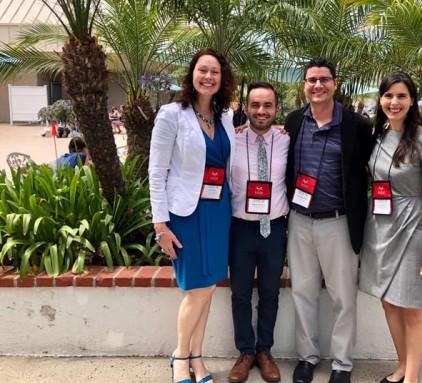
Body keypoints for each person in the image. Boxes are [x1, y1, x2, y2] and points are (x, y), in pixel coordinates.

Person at [148, 48, 236, 383]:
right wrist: (161, 225)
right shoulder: (171, 114)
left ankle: (197, 358)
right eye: (203, 70)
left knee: (209, 286)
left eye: (215, 71)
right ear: (192, 74)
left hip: (218, 211)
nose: (208, 77)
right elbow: (156, 173)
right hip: (185, 212)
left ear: (222, 78)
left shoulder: (224, 117)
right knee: (196, 288)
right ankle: (180, 356)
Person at [284, 58, 373, 383]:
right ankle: (307, 358)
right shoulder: (294, 122)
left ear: (336, 83)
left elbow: (375, 165)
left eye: (324, 79)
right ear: (304, 85)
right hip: (300, 220)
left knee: (342, 296)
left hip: (339, 222)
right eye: (311, 80)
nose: (317, 85)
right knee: (303, 291)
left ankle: (341, 364)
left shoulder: (356, 126)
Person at [359, 71, 422, 383]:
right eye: (388, 96)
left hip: (412, 227)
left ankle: (413, 378)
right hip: (379, 226)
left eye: (401, 96)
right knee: (387, 301)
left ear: (412, 101)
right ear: (380, 99)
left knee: (411, 306)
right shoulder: (378, 136)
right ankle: (402, 366)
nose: (394, 102)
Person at [227, 81, 289, 383]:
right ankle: (245, 351)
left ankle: (264, 351)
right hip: (240, 228)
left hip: (274, 229)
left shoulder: (287, 140)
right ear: (246, 108)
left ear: (276, 109)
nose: (261, 111)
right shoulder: (231, 139)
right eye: (255, 105)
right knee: (239, 293)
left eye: (267, 105)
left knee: (270, 293)